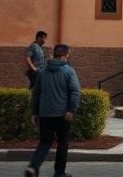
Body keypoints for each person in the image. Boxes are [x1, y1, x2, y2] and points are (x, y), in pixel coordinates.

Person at [25, 44, 81, 177]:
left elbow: (36, 93)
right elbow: (75, 92)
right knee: (62, 142)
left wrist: (34, 113)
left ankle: (33, 167)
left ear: (54, 54)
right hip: (63, 115)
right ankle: (59, 173)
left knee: (44, 142)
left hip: (45, 114)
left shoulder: (43, 71)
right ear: (66, 55)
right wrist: (71, 110)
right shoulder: (69, 71)